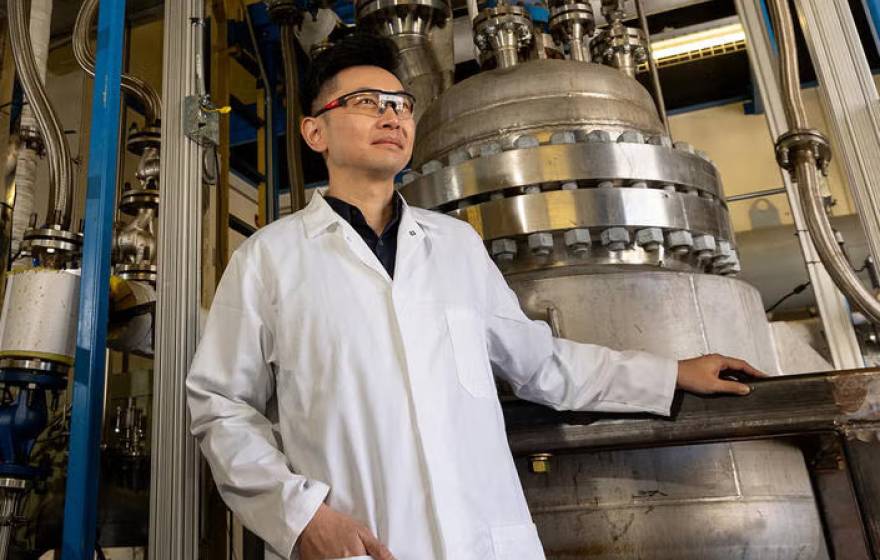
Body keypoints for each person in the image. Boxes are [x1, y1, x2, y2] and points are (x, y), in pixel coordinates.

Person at [186, 33, 765, 560]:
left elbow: (543, 366)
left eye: (401, 104)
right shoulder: (271, 258)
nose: (391, 115)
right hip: (361, 545)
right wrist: (300, 516)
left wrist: (670, 373)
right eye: (366, 102)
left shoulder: (456, 245)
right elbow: (220, 405)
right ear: (315, 131)